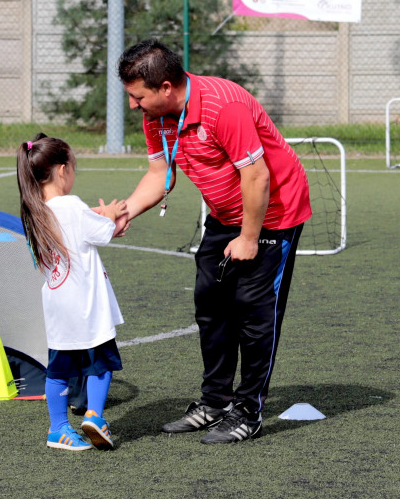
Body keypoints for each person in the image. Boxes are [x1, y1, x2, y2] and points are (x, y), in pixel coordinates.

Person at [117, 38, 312, 444]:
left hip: (273, 214)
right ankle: (215, 402)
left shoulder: (225, 106)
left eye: (138, 98)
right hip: (225, 214)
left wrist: (248, 237)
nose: (133, 106)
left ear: (166, 88)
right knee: (211, 306)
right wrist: (126, 212)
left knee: (254, 314)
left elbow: (257, 176)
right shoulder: (156, 117)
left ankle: (248, 410)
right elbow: (159, 175)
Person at [16, 133, 129, 451]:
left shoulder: (35, 213)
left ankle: (59, 428)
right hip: (87, 307)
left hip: (58, 309)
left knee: (58, 370)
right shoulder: (72, 206)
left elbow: (76, 230)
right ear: (63, 170)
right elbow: (104, 233)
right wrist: (109, 216)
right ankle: (94, 415)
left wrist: (95, 217)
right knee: (101, 363)